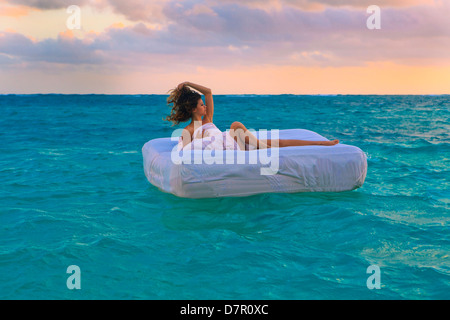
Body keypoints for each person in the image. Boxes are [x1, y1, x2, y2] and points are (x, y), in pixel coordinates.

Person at [164, 81, 339, 151]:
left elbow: (209, 92)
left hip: (239, 143)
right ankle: (265, 149)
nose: (205, 106)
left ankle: (321, 143)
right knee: (235, 125)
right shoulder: (188, 130)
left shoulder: (207, 119)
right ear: (194, 109)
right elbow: (186, 152)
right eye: (201, 105)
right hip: (228, 149)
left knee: (280, 143)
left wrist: (187, 84)